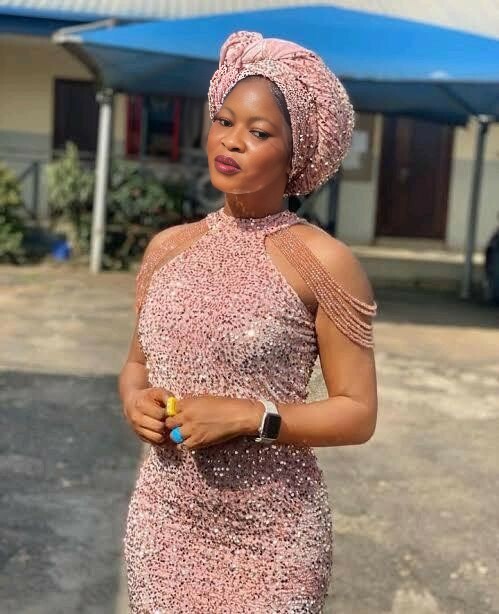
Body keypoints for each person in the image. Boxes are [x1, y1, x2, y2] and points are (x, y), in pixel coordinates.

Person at [118, 30, 378, 614]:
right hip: (164, 522)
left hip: (274, 537)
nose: (231, 141)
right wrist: (135, 401)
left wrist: (249, 416)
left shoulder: (324, 262)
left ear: (296, 154)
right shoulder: (167, 249)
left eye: (259, 133)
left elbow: (358, 412)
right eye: (224, 121)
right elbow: (136, 366)